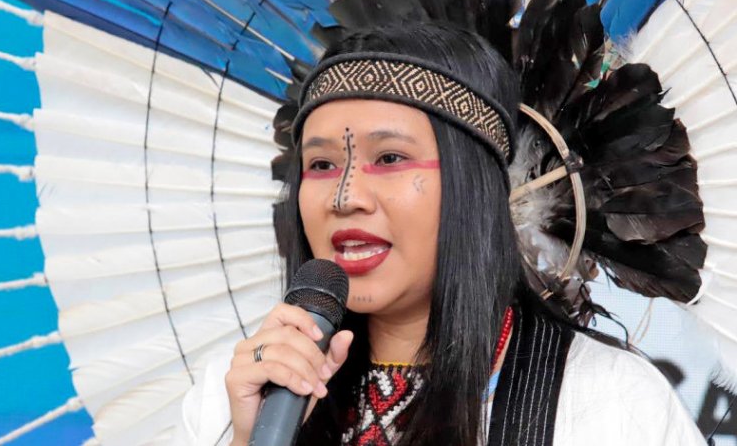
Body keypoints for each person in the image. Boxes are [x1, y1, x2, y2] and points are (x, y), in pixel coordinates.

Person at [173, 22, 706, 445]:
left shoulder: (606, 400)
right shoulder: (239, 394)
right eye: (320, 165)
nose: (345, 197)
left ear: (472, 190)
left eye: (389, 158)